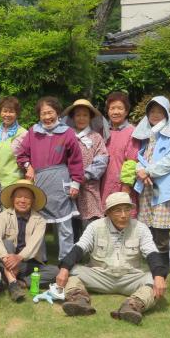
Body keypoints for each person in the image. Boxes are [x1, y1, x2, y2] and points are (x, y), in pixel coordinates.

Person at [56, 192, 167, 325]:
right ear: (108, 212)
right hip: (100, 276)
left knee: (154, 279)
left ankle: (132, 305)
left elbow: (152, 253)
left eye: (127, 210)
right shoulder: (95, 227)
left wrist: (159, 276)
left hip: (130, 278)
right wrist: (64, 269)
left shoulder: (141, 228)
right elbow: (80, 247)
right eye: (118, 211)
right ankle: (79, 300)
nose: (124, 215)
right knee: (71, 270)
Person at [16, 96, 84, 261]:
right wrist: (28, 167)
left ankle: (65, 261)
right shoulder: (33, 132)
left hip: (61, 181)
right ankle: (40, 259)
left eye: (50, 112)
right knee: (38, 223)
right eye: (43, 113)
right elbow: (21, 154)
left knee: (65, 225)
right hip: (39, 183)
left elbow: (76, 160)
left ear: (58, 113)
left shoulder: (67, 133)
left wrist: (76, 183)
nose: (47, 117)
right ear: (39, 116)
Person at [132, 95, 170, 269]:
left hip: (163, 189)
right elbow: (140, 155)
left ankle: (163, 266)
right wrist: (140, 170)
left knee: (161, 230)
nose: (154, 115)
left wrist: (148, 171)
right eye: (152, 111)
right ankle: (151, 263)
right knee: (147, 228)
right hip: (146, 187)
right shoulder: (148, 134)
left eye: (159, 112)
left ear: (167, 114)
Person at [0, 179, 57, 302]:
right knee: (6, 243)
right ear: (13, 199)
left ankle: (19, 282)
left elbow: (34, 244)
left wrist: (19, 258)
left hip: (26, 263)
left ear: (33, 201)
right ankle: (13, 284)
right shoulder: (3, 216)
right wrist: (6, 259)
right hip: (6, 261)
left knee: (55, 271)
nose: (22, 201)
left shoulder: (40, 220)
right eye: (19, 197)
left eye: (27, 197)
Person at [65, 99, 109, 238]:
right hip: (69, 184)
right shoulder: (66, 136)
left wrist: (84, 176)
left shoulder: (96, 137)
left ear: (90, 117)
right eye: (78, 115)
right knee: (70, 219)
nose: (81, 118)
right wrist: (71, 178)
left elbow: (101, 160)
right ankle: (72, 250)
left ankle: (91, 250)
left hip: (88, 185)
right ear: (72, 118)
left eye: (85, 115)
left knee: (89, 219)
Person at [99, 92, 140, 214]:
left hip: (121, 185)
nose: (115, 112)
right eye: (112, 108)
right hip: (104, 183)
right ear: (107, 111)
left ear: (126, 111)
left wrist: (126, 188)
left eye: (120, 108)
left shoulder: (132, 132)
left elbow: (132, 161)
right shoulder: (103, 131)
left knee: (122, 217)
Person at [0, 96, 25, 188]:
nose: (7, 115)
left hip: (12, 182)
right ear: (0, 112)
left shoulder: (23, 133)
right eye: (5, 111)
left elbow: (26, 159)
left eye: (11, 111)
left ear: (17, 114)